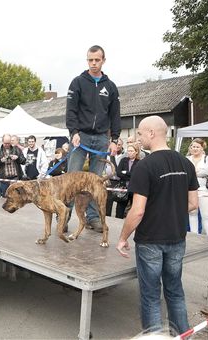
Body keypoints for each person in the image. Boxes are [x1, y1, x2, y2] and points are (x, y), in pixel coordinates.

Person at [116, 116, 198, 335]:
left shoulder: (144, 166)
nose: (138, 138)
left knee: (151, 295)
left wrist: (123, 238)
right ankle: (183, 335)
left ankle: (154, 337)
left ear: (152, 133)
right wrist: (169, 213)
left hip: (150, 240)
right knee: (175, 291)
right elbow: (193, 204)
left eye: (141, 133)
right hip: (177, 238)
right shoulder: (186, 163)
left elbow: (138, 210)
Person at [65, 45, 121, 232]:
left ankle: (93, 218)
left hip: (101, 139)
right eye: (90, 60)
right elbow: (71, 111)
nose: (94, 63)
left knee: (96, 182)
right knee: (72, 180)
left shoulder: (110, 86)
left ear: (103, 60)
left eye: (97, 60)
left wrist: (114, 139)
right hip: (81, 137)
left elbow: (115, 115)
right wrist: (74, 132)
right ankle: (64, 216)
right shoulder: (77, 83)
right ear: (87, 60)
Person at [186, 138, 208, 236]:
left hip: (204, 191)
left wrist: (193, 172)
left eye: (197, 147)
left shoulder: (207, 158)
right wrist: (197, 172)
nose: (195, 149)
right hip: (190, 190)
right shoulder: (187, 159)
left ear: (202, 148)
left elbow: (207, 171)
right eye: (193, 146)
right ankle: (194, 237)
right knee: (192, 214)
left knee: (206, 216)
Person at [114, 144, 140, 219]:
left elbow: (138, 176)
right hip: (123, 188)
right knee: (119, 210)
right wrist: (130, 176)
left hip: (134, 189)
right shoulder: (123, 160)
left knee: (134, 210)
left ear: (136, 152)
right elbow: (118, 173)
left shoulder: (139, 162)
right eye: (128, 151)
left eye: (131, 151)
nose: (129, 153)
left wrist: (126, 173)